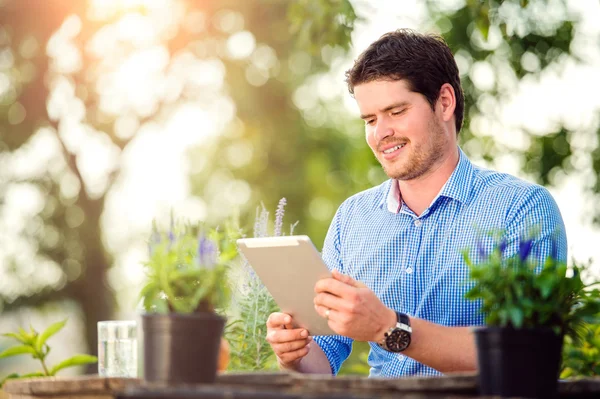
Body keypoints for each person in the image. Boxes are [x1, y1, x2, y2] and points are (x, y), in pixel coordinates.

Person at [265, 29, 567, 377]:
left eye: (395, 111)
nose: (380, 133)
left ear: (444, 102)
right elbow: (325, 356)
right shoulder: (352, 218)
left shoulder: (522, 209)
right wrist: (295, 354)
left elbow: (530, 354)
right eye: (370, 120)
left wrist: (389, 328)